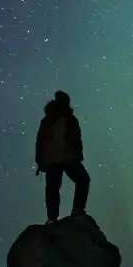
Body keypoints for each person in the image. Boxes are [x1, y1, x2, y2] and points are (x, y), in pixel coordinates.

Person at [34, 90, 89, 222]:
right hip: (67, 157)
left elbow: (40, 142)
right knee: (83, 180)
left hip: (52, 160)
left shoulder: (47, 121)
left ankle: (52, 218)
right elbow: (75, 139)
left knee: (52, 189)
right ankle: (76, 210)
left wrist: (40, 161)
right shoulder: (69, 119)